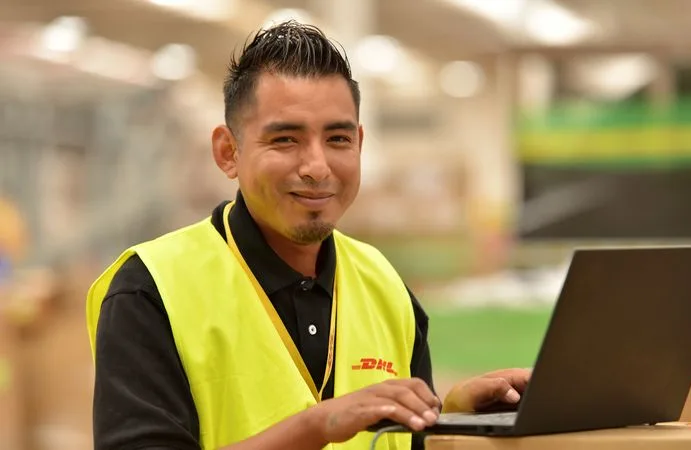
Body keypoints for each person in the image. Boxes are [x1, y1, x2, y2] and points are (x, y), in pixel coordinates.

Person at [86, 21, 529, 450]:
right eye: (285, 140)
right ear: (228, 152)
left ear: (359, 143)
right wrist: (317, 426)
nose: (317, 167)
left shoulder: (385, 286)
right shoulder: (150, 290)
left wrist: (452, 416)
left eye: (337, 139)